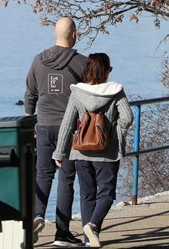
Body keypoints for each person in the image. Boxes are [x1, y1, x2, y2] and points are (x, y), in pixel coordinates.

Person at [53, 53, 133, 248]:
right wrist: (115, 131)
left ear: (87, 70)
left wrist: (59, 153)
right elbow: (128, 117)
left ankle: (89, 241)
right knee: (106, 194)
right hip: (107, 152)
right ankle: (93, 226)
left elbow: (67, 124)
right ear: (106, 71)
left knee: (87, 195)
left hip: (80, 152)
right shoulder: (115, 91)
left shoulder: (78, 92)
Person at [24, 16, 87, 247]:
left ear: (55, 34)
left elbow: (30, 94)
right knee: (67, 179)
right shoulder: (82, 63)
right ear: (74, 35)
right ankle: (62, 233)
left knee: (42, 174)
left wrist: (31, 122)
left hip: (42, 126)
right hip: (70, 130)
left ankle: (38, 215)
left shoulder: (38, 61)